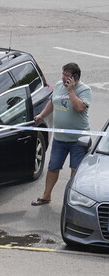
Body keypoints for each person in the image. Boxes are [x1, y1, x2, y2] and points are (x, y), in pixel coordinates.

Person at [31, 62, 92, 206]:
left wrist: (71, 91)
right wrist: (41, 115)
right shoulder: (59, 85)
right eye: (63, 74)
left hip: (78, 140)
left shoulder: (84, 90)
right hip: (60, 138)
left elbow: (79, 108)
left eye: (67, 76)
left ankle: (71, 199)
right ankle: (46, 195)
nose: (64, 78)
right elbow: (53, 102)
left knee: (75, 170)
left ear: (75, 77)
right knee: (53, 167)